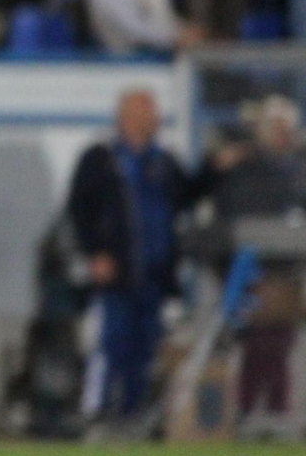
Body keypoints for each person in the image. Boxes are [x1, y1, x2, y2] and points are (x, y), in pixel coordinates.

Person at [67, 90, 213, 421]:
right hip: (117, 273)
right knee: (111, 344)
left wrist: (213, 170)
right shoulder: (101, 159)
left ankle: (132, 415)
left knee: (144, 350)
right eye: (148, 110)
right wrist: (94, 253)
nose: (155, 116)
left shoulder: (162, 161)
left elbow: (185, 195)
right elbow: (79, 210)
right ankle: (98, 412)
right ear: (127, 115)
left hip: (154, 274)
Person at [211, 96, 306, 420]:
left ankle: (273, 412)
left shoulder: (295, 170)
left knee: (278, 346)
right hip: (253, 271)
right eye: (279, 128)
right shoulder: (248, 169)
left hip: (285, 272)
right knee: (258, 346)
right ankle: (251, 412)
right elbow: (238, 216)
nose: (285, 135)